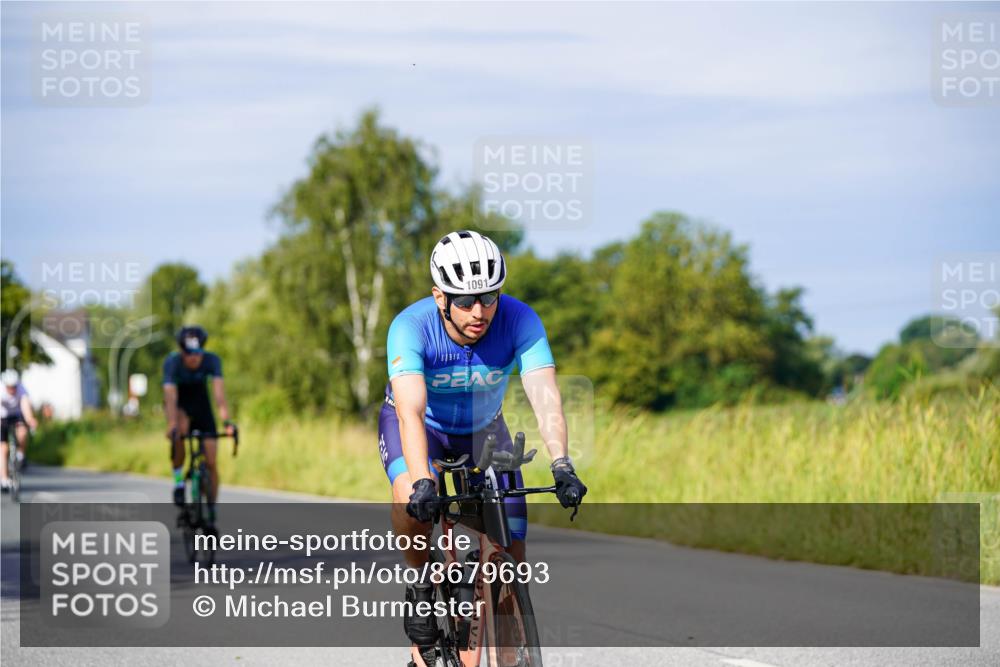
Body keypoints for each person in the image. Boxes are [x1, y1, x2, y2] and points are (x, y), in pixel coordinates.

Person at [380, 230, 588, 650]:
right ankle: (420, 585)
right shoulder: (410, 327)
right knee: (410, 497)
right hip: (426, 429)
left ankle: (509, 637)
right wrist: (423, 480)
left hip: (484, 429)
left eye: (490, 297)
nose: (480, 311)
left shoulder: (520, 319)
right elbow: (411, 412)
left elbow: (546, 396)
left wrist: (561, 463)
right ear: (440, 298)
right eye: (464, 301)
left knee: (513, 539)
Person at [162, 326, 233, 517]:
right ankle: (178, 482)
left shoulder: (212, 360)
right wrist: (172, 423)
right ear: (181, 352)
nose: (193, 358)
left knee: (211, 461)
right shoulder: (172, 363)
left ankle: (211, 508)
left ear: (203, 350)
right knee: (180, 431)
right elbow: (170, 396)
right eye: (188, 353)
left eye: (197, 353)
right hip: (181, 406)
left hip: (202, 406)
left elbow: (219, 395)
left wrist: (226, 422)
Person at [1, 369, 38, 492]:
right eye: (9, 387)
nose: (12, 389)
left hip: (17, 415)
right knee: (3, 448)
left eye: (14, 387)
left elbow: (25, 406)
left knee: (22, 431)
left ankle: (20, 454)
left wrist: (30, 419)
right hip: (3, 416)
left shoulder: (21, 389)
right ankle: (4, 479)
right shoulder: (1, 390)